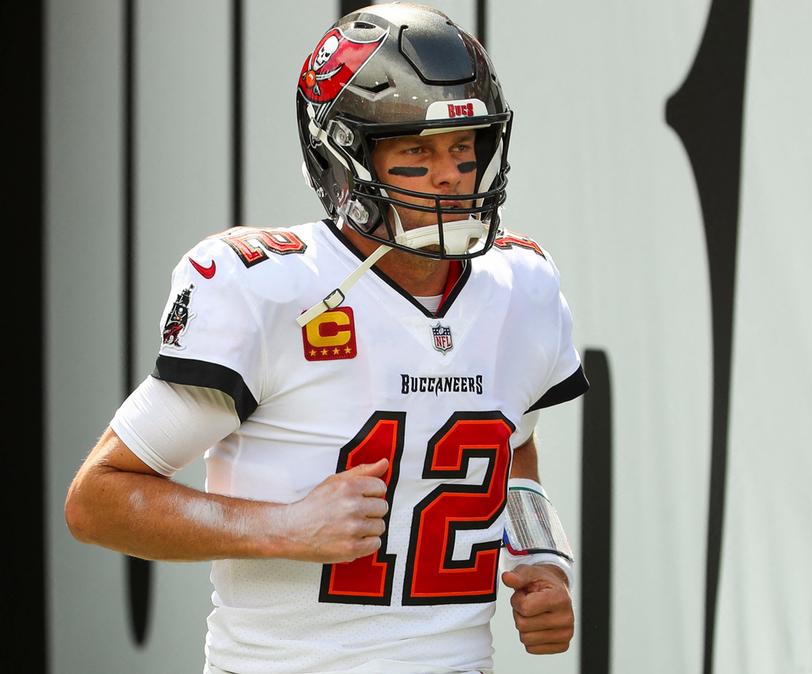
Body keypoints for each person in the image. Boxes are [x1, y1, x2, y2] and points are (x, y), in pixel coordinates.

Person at [64, 4, 587, 673]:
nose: (451, 174)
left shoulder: (521, 288)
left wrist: (540, 558)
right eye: (415, 152)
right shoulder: (270, 289)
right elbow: (99, 500)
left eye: (464, 147)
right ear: (340, 156)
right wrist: (279, 529)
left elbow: (513, 449)